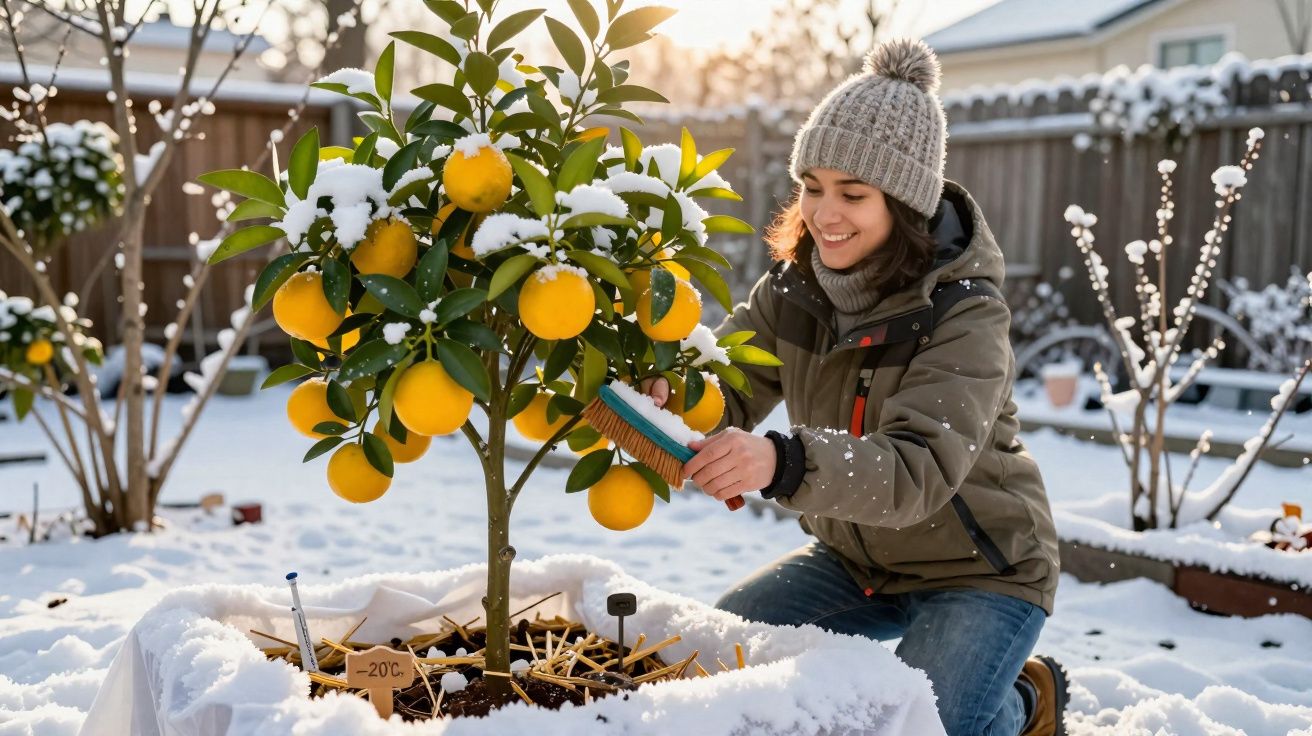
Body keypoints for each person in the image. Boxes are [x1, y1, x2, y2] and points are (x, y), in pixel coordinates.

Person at [643, 39, 1068, 736]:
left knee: (916, 726)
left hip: (978, 570)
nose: (825, 214)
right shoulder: (793, 289)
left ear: (903, 202)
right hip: (853, 559)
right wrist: (672, 391)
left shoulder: (965, 314)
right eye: (812, 186)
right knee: (717, 661)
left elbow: (916, 471)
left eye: (853, 194)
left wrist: (780, 461)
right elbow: (729, 386)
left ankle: (1024, 705)